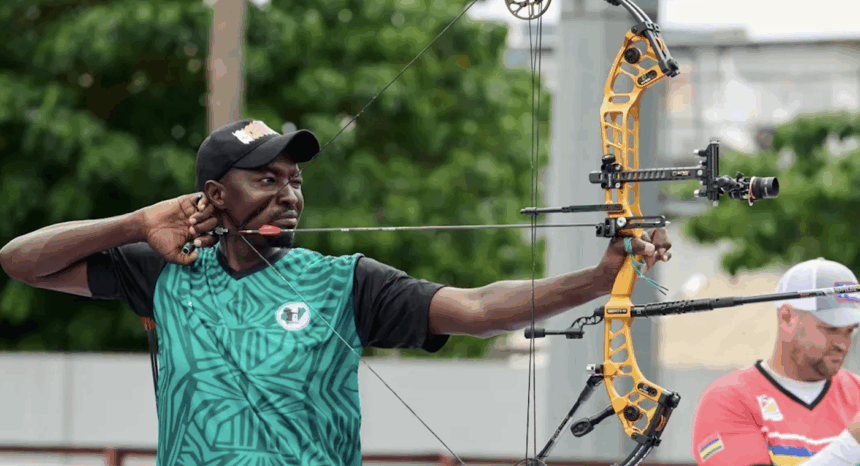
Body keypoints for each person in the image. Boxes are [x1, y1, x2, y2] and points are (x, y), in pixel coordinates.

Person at [0, 119, 673, 466]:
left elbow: (475, 309)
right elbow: (21, 262)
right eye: (266, 179)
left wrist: (597, 279)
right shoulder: (166, 270)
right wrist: (135, 223)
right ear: (215, 195)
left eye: (295, 180)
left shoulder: (344, 281)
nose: (289, 194)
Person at [691, 257, 860, 466]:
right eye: (830, 328)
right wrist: (853, 443)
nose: (842, 344)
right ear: (787, 318)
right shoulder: (728, 400)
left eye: (850, 331)